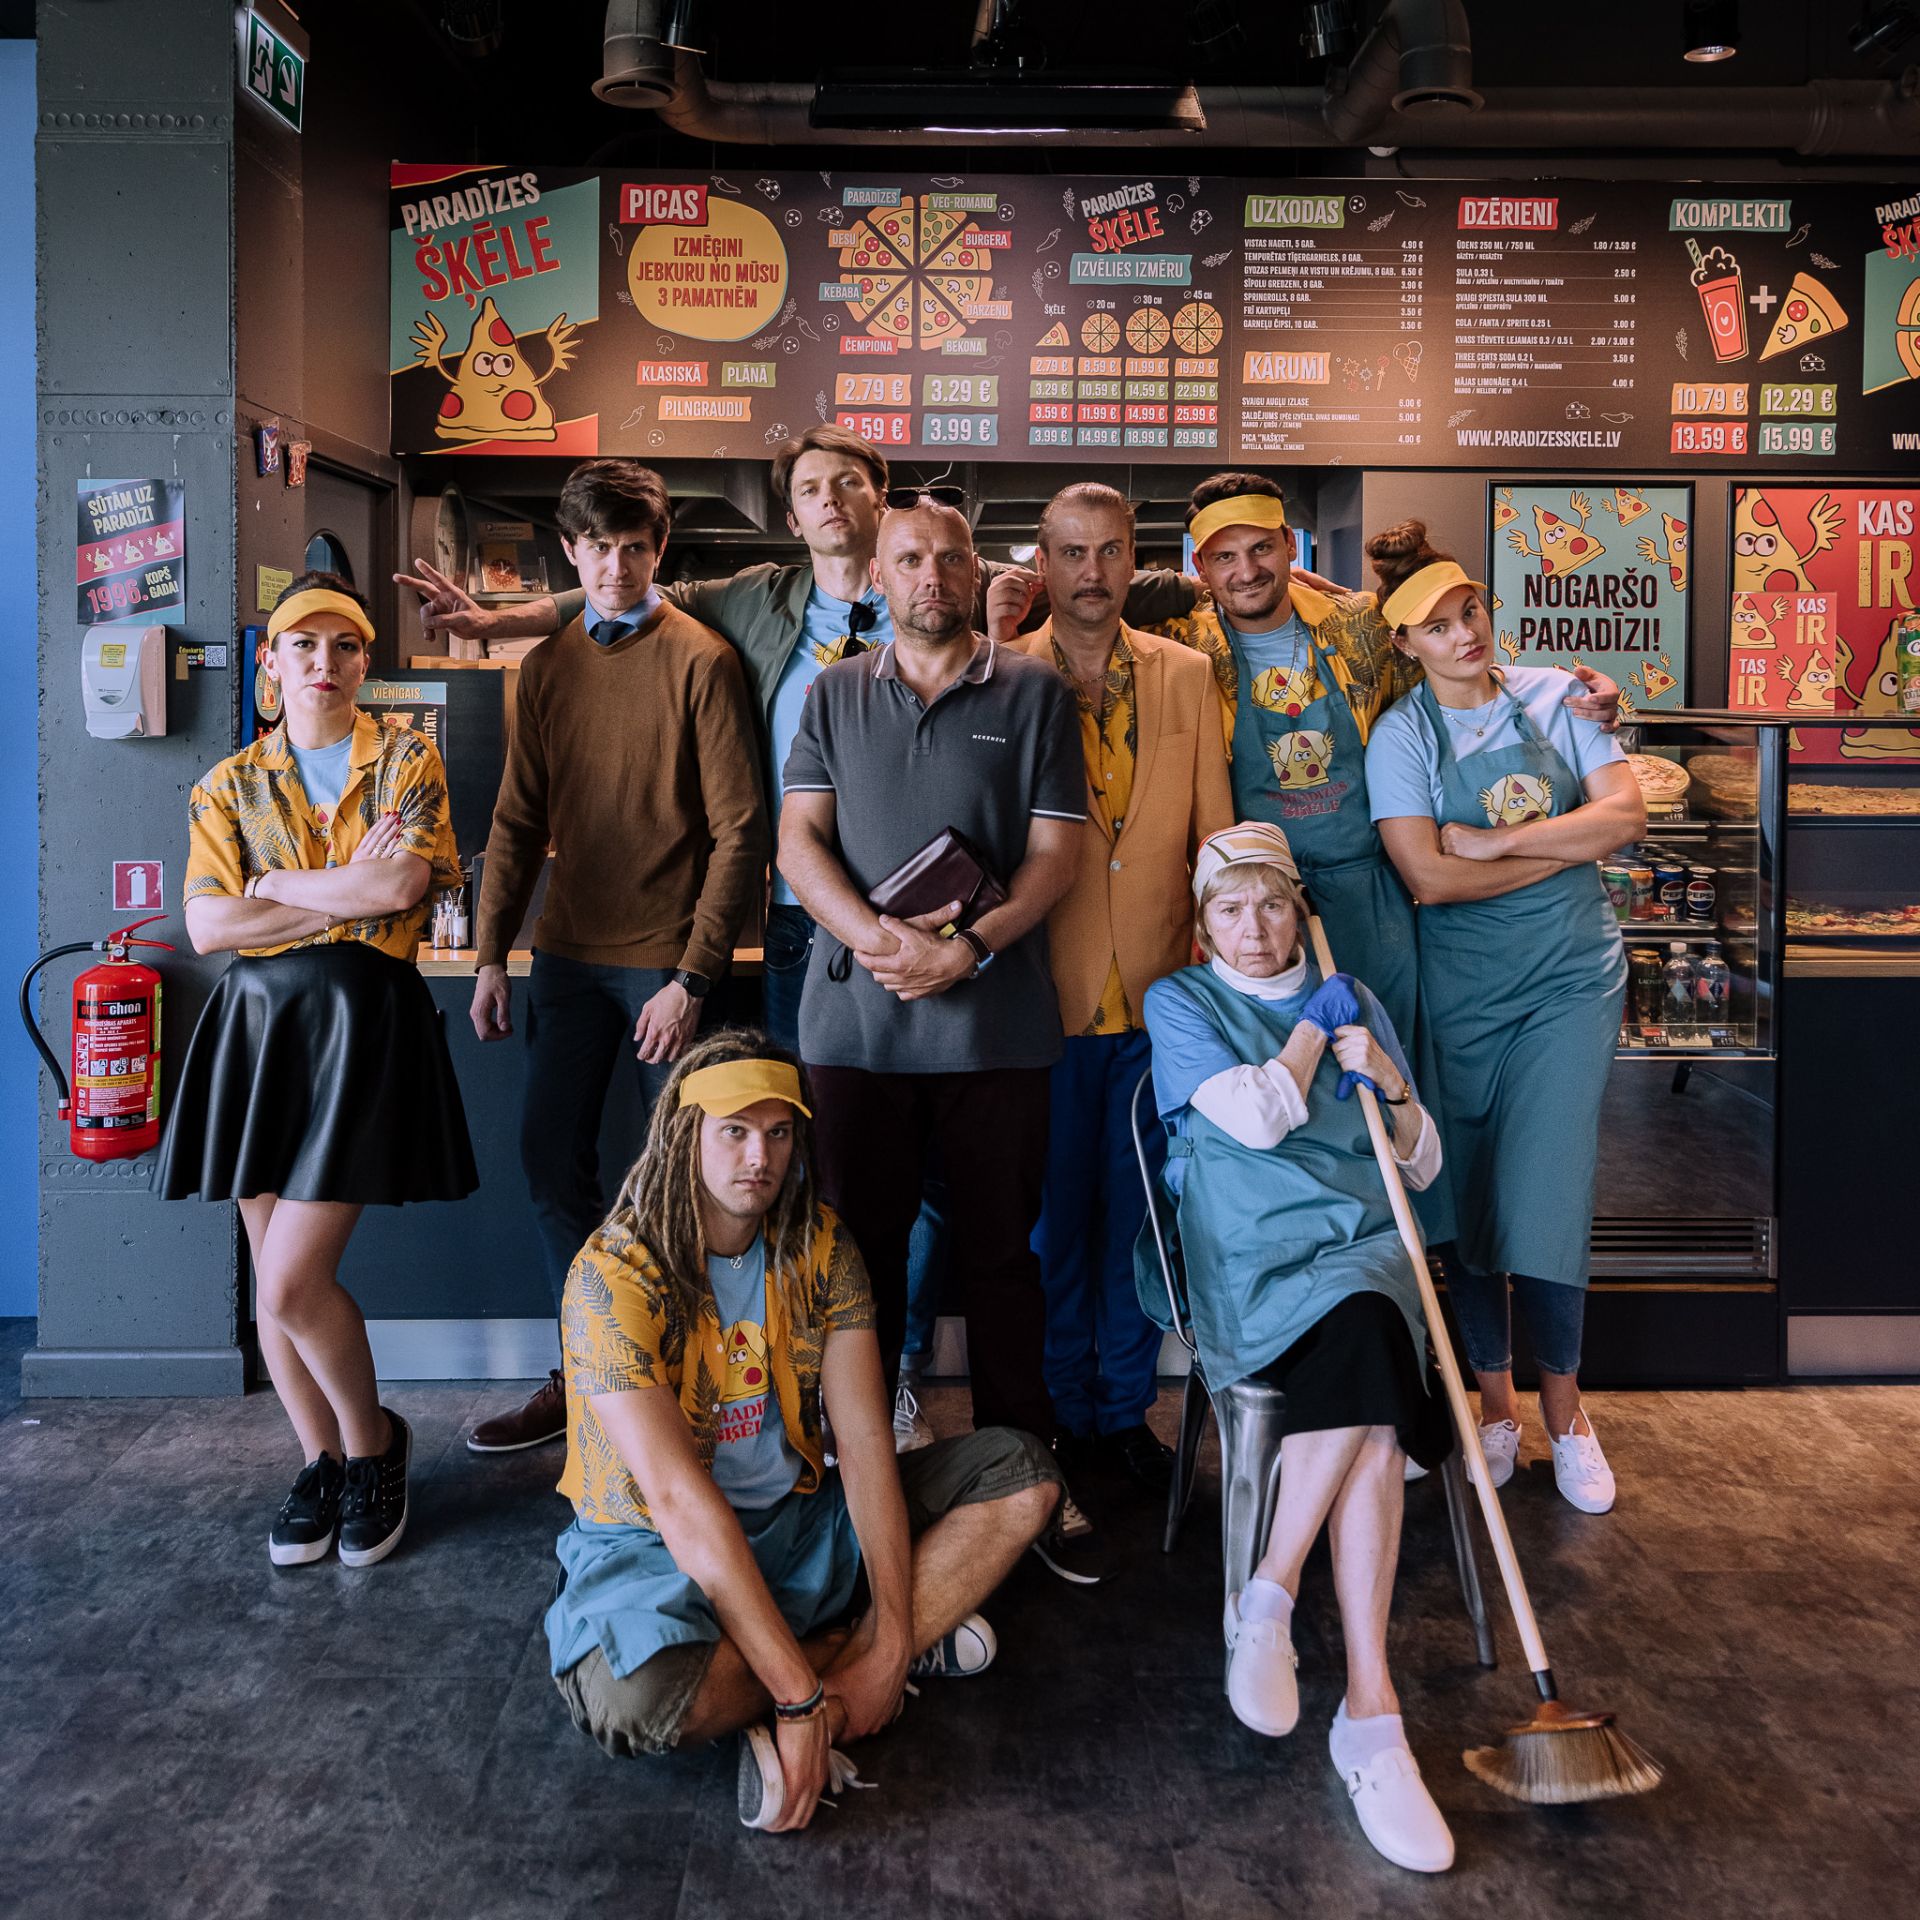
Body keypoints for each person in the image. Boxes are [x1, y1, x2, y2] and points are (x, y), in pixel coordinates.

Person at [400, 426, 1192, 1055]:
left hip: (940, 906)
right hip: (797, 907)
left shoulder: (944, 577)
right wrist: (492, 621)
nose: (831, 501)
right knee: (809, 1111)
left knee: (940, 1121)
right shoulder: (755, 599)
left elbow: (1106, 578)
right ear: (792, 519)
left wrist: (1243, 580)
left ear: (882, 500)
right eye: (811, 489)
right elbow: (625, 584)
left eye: (848, 482)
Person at [547, 1029, 1061, 1832]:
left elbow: (864, 1445)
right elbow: (678, 1503)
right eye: (735, 1132)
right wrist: (797, 1696)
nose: (761, 1156)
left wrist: (887, 1643)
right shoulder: (610, 1277)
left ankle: (867, 1662)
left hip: (797, 1524)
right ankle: (851, 1660)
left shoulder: (822, 1248)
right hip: (653, 1543)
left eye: (779, 1132)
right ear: (685, 1134)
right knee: (634, 1699)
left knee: (1024, 1475)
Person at [776, 494, 1104, 1582]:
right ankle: (855, 1481)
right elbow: (798, 842)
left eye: (950, 558)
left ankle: (1027, 1477)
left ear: (977, 574)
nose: (931, 576)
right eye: (910, 558)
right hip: (856, 1029)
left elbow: (1055, 856)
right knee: (856, 1266)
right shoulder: (833, 692)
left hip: (996, 1030)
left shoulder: (1035, 691)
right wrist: (883, 941)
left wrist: (966, 953)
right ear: (878, 575)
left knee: (1005, 1261)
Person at [1141, 822, 1455, 1875]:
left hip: (1363, 1253)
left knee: (1369, 1337)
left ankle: (1272, 1599)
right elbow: (1261, 1120)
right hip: (1255, 1262)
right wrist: (1316, 1037)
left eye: (1273, 904)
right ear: (1203, 926)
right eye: (1231, 909)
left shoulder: (1352, 997)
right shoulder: (1182, 1003)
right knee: (1377, 1413)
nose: (1256, 928)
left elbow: (1422, 1166)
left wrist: (1391, 1084)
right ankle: (1369, 1719)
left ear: (1298, 909)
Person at [158, 572, 476, 1569]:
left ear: (364, 663)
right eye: (304, 645)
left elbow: (402, 884)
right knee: (272, 1282)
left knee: (296, 1279)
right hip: (256, 1034)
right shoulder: (228, 783)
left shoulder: (407, 759)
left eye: (344, 646)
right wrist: (343, 892)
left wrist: (275, 885)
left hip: (362, 1025)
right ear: (273, 662)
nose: (324, 663)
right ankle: (321, 1459)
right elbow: (210, 926)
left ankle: (375, 1447)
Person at [464, 460, 766, 1455]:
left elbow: (739, 831)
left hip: (662, 968)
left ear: (658, 549)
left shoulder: (703, 660)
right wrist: (492, 954)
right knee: (551, 1163)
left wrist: (692, 975)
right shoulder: (547, 667)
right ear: (570, 549)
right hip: (564, 958)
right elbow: (516, 821)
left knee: (679, 1184)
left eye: (634, 547)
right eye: (597, 547)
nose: (615, 567)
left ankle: (686, 1390)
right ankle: (590, 1371)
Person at [1145, 472, 1622, 1061]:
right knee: (1277, 1071)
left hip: (1369, 895)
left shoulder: (1360, 625)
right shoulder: (1176, 643)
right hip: (1253, 900)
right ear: (1200, 565)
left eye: (1262, 547)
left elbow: (1457, 663)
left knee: (1386, 1062)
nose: (1247, 571)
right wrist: (1175, 586)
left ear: (1291, 544)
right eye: (1224, 557)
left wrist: (1567, 693)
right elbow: (1071, 598)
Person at [1364, 521, 1643, 1515]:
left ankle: (1567, 1417)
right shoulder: (1400, 736)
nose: (1464, 634)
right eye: (1438, 626)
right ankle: (1495, 1407)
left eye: (1470, 610)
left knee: (1550, 1191)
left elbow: (1626, 816)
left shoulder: (1558, 696)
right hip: (1464, 993)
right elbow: (1427, 879)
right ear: (1406, 644)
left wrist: (1491, 844)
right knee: (1472, 1194)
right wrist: (1556, 851)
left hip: (1570, 980)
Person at [1005, 482, 1232, 1498]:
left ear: (1134, 559)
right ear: (1042, 562)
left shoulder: (1187, 673)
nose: (1091, 573)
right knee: (1054, 1227)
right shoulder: (1005, 674)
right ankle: (1061, 1412)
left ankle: (1124, 1409)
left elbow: (1214, 837)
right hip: (1040, 1001)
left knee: (1139, 1225)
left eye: (1108, 552)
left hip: (1159, 998)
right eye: (1071, 552)